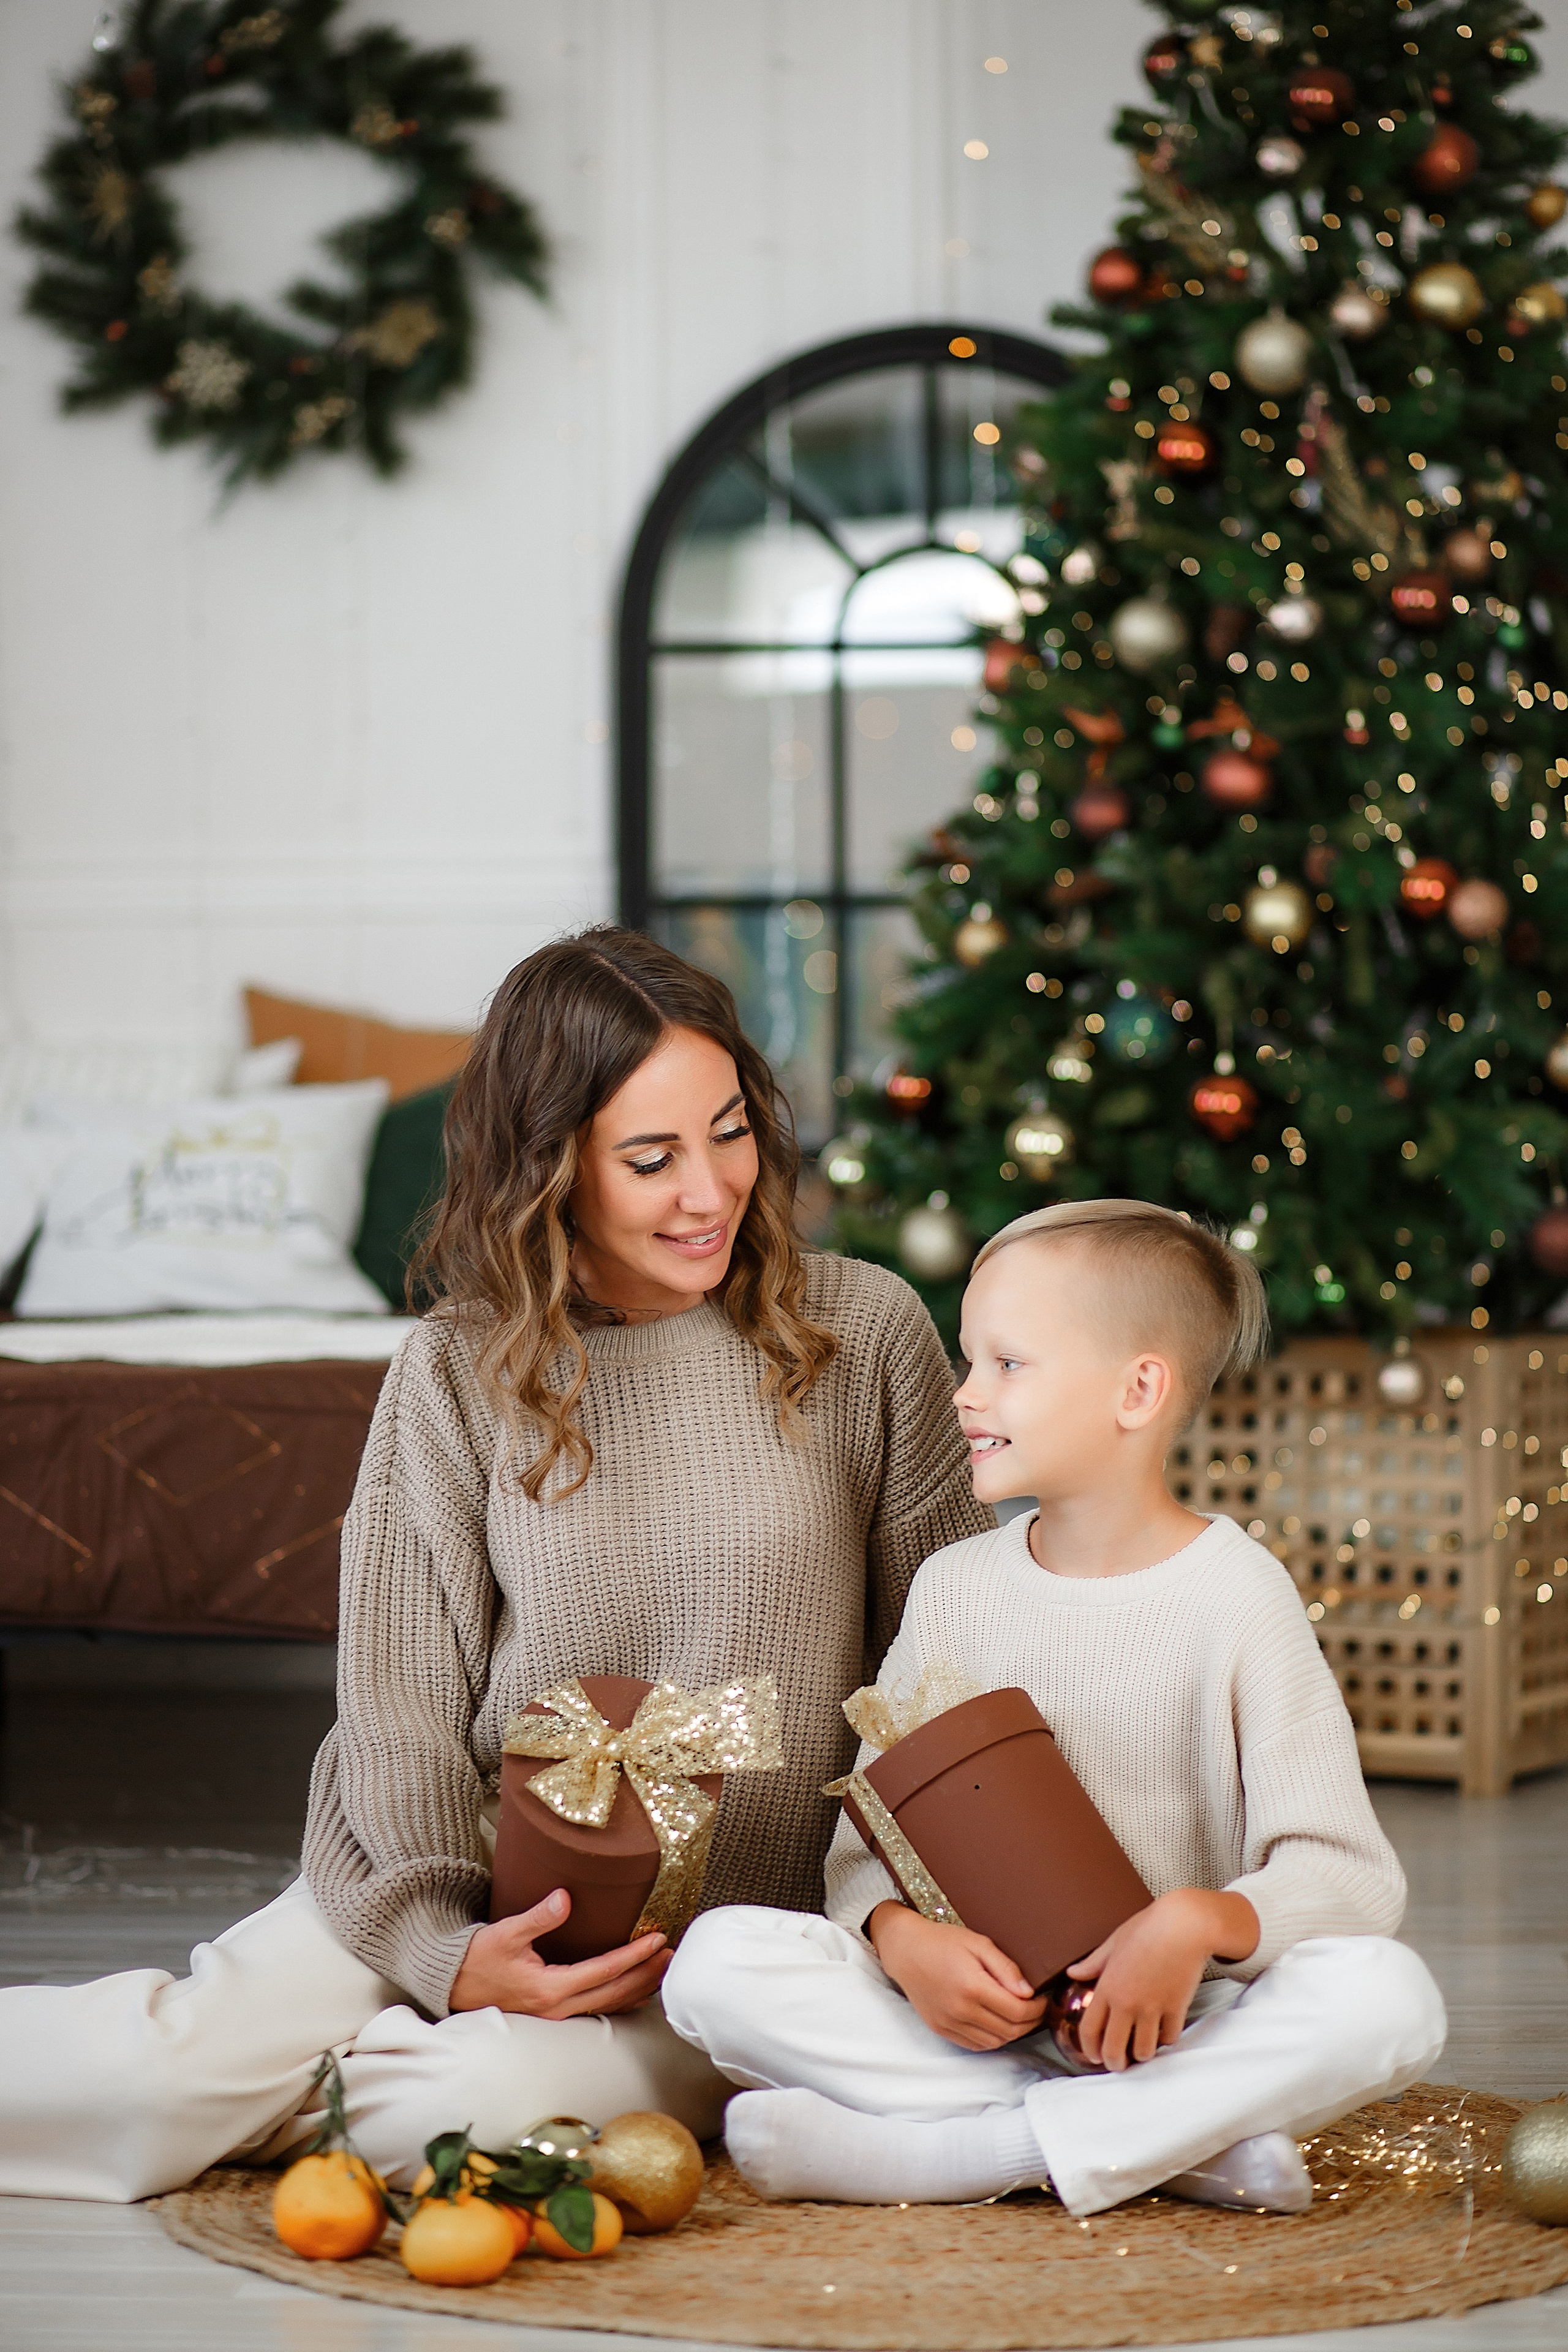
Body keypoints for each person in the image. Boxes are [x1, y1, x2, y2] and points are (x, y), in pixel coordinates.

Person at [0, 928, 988, 2202]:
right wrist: (441, 1952)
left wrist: (905, 1918)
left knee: (453, 2117)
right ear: (550, 1167)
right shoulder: (458, 1369)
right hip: (462, 1876)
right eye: (649, 1159)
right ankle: (282, 2061)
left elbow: (942, 1667)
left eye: (729, 1131)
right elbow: (400, 1706)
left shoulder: (859, 1331)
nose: (711, 1191)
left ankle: (346, 2077)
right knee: (148, 2078)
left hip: (729, 1948)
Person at [663, 1199, 1448, 2220]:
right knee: (718, 1963)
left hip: (1188, 2019)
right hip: (972, 2021)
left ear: (1139, 1390)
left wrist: (1192, 1924)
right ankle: (1176, 2145)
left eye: (1007, 1365)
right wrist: (905, 1941)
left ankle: (971, 2151)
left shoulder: (1239, 1595)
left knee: (1390, 1998)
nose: (966, 1396)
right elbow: (868, 1843)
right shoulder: (953, 1588)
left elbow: (1348, 1878)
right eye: (967, 1361)